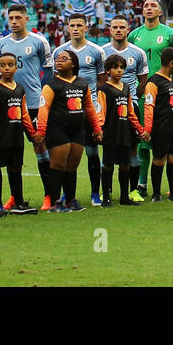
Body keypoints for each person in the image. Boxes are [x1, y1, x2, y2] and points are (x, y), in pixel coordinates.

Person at [0, 3, 53, 200]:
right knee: (11, 149)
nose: (14, 21)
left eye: (18, 18)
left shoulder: (38, 41)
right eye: (11, 18)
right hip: (9, 106)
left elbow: (49, 73)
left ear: (27, 19)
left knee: (40, 146)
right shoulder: (1, 44)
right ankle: (14, 196)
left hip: (34, 104)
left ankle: (48, 194)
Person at [128, 0, 173, 197]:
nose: (149, 8)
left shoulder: (171, 34)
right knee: (143, 141)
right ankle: (142, 184)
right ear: (142, 11)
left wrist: (170, 80)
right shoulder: (134, 35)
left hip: (167, 94)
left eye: (153, 5)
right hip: (143, 95)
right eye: (146, 5)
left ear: (160, 11)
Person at [36, 47, 102, 212]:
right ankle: (55, 202)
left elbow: (89, 108)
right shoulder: (51, 84)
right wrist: (41, 131)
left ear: (73, 64)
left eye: (64, 58)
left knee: (72, 166)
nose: (58, 60)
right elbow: (43, 108)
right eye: (57, 58)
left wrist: (96, 128)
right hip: (58, 129)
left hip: (78, 129)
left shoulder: (81, 83)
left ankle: (71, 201)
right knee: (57, 166)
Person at [51, 15, 106, 205]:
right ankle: (66, 195)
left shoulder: (97, 51)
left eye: (79, 25)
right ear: (67, 28)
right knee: (66, 155)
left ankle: (94, 193)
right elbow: (55, 81)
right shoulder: (59, 51)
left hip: (88, 110)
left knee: (92, 153)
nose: (75, 29)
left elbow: (101, 81)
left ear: (86, 27)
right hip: (65, 113)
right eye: (72, 25)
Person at [100, 15, 149, 203]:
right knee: (109, 152)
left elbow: (143, 79)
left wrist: (130, 96)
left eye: (122, 27)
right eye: (115, 27)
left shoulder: (138, 53)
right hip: (108, 107)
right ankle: (107, 192)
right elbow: (100, 78)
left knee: (132, 150)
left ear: (128, 29)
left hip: (130, 104)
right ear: (110, 30)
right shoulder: (102, 52)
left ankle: (133, 191)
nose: (119, 30)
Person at [0, 54, 39, 216]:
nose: (7, 68)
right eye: (3, 65)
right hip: (1, 136)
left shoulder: (20, 88)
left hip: (16, 136)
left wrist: (32, 134)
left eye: (10, 65)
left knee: (15, 170)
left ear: (16, 67)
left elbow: (24, 113)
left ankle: (19, 202)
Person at [140, 46, 173, 202]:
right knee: (159, 159)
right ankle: (156, 194)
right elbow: (149, 107)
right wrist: (147, 129)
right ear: (171, 63)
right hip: (161, 128)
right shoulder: (153, 82)